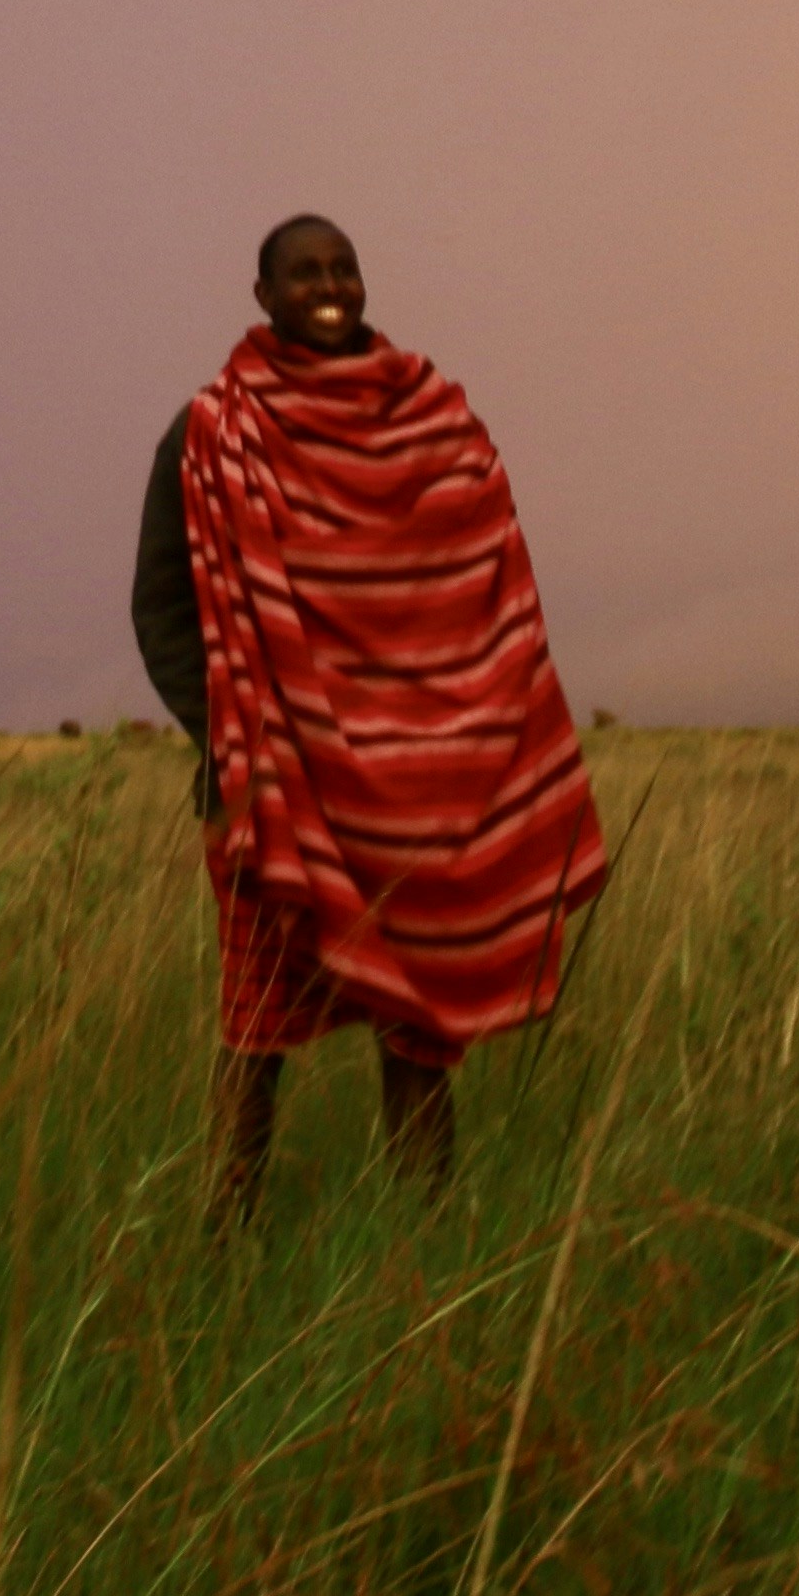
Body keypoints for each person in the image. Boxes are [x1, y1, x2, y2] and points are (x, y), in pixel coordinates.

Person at [132, 214, 605, 1216]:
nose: (328, 284)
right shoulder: (213, 431)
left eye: (343, 266)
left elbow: (484, 586)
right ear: (262, 295)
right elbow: (164, 605)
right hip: (268, 789)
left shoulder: (435, 422)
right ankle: (227, 1240)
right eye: (303, 272)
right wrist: (236, 733)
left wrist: (452, 731)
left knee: (418, 1028)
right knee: (256, 1027)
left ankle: (422, 1241)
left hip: (420, 796)